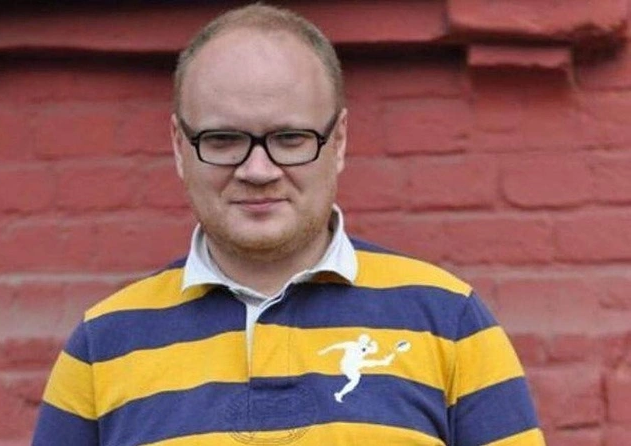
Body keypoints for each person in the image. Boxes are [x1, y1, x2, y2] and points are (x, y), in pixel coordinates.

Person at [32, 3, 545, 445]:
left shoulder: (449, 324)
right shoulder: (102, 346)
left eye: (291, 139)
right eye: (223, 140)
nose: (258, 170)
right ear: (178, 146)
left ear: (338, 141)